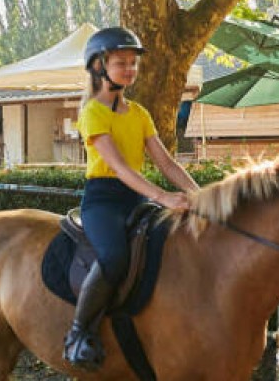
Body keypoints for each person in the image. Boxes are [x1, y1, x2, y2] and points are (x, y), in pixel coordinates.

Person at [63, 27, 201, 371]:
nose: (130, 70)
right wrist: (163, 197)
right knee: (113, 257)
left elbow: (165, 162)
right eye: (121, 62)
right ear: (98, 66)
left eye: (133, 64)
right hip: (103, 201)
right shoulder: (92, 113)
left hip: (136, 198)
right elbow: (121, 168)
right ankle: (79, 333)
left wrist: (201, 196)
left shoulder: (139, 113)